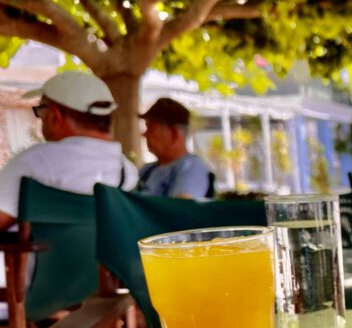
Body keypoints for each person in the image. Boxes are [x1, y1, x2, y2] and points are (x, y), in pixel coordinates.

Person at [0, 71, 138, 230]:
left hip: (48, 255)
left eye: (41, 111)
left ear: (54, 116)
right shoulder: (129, 173)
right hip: (110, 255)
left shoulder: (34, 162)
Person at [137, 98, 215, 199]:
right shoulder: (147, 170)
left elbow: (183, 208)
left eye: (150, 128)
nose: (144, 134)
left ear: (174, 134)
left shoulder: (191, 166)